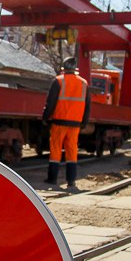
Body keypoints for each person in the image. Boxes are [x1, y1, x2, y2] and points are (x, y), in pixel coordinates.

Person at [42, 57, 90, 189]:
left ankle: (52, 179)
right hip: (75, 124)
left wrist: (45, 117)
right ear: (75, 69)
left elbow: (50, 103)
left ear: (63, 68)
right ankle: (71, 181)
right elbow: (87, 106)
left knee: (56, 148)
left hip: (59, 121)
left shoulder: (58, 81)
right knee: (72, 150)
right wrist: (84, 122)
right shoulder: (84, 83)